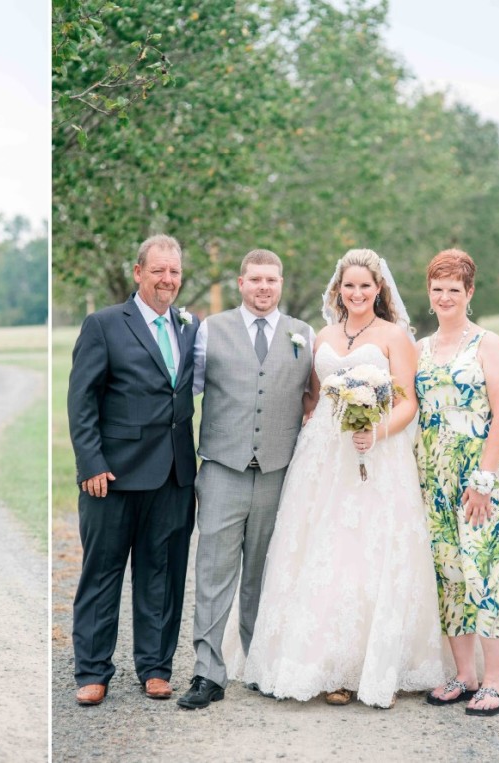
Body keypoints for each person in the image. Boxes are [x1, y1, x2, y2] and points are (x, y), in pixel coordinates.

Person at [239, 249, 444, 709]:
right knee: (319, 551)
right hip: (321, 456)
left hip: (376, 453)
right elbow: (312, 394)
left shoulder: (395, 336)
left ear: (379, 290)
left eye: (365, 287)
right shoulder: (322, 336)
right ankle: (327, 666)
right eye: (349, 286)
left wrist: (377, 431)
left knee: (363, 553)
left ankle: (365, 666)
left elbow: (409, 400)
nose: (356, 294)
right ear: (338, 290)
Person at [177, 249, 315, 710]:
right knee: (214, 573)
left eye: (271, 280)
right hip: (221, 469)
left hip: (278, 472)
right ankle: (207, 673)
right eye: (255, 279)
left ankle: (258, 665)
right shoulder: (209, 331)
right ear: (240, 283)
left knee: (264, 573)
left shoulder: (304, 334)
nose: (263, 287)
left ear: (281, 283)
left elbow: (314, 401)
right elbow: (183, 392)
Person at [67, 234, 200, 706]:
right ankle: (92, 669)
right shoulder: (103, 324)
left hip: (173, 474)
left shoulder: (190, 325)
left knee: (162, 574)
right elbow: (81, 399)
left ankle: (156, 668)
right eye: (159, 270)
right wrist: (90, 463)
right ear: (138, 273)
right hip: (113, 476)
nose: (168, 280)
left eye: (175, 272)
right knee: (102, 574)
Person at [416, 249, 499, 717]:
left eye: (454, 289)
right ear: (429, 294)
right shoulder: (423, 348)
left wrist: (484, 479)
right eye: (438, 288)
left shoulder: (487, 343)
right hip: (435, 479)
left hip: (481, 478)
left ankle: (495, 681)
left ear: (469, 293)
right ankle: (464, 675)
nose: (445, 297)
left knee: (486, 573)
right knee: (448, 577)